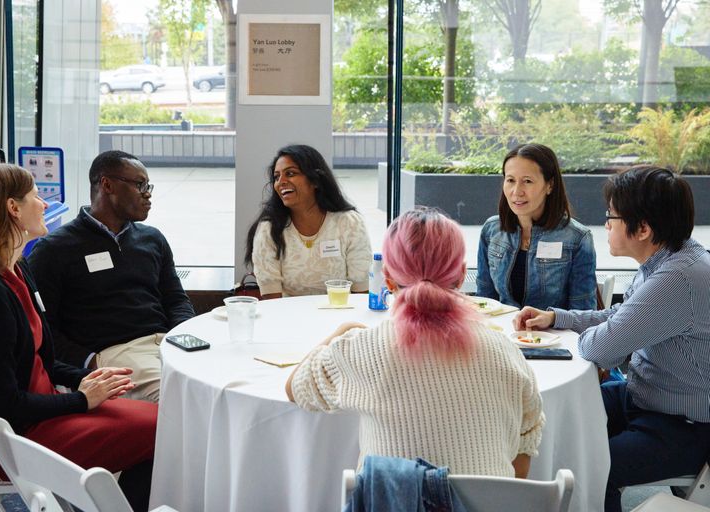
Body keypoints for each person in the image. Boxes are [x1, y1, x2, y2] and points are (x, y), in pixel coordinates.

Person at [0, 164, 157, 512]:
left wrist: (86, 379)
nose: (44, 204)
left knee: (159, 421)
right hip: (14, 440)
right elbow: (3, 405)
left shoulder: (14, 266)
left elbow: (40, 358)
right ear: (13, 209)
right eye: (36, 197)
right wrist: (82, 400)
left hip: (43, 414)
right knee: (160, 430)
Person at [287, 207, 545, 476]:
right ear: (460, 276)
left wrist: (341, 331)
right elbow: (526, 440)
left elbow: (296, 387)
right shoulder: (506, 351)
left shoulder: (361, 350)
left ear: (387, 279)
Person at [513, 166, 710, 512]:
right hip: (645, 398)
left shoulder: (677, 279)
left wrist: (596, 331)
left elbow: (600, 347)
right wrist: (557, 318)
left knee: (588, 470)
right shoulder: (670, 259)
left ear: (643, 228)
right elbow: (618, 321)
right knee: (556, 420)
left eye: (612, 216)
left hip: (684, 428)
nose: (606, 224)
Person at [28, 150, 195, 402]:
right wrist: (89, 362)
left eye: (148, 186)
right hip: (114, 354)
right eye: (140, 185)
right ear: (107, 185)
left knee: (221, 385)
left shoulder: (152, 239)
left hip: (167, 344)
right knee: (183, 400)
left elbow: (175, 299)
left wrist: (184, 337)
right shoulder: (55, 249)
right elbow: (43, 327)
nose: (147, 193)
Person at [477, 143, 597, 310]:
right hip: (502, 332)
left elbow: (582, 314)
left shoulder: (577, 238)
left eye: (527, 181)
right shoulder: (491, 231)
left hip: (554, 335)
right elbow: (485, 301)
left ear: (550, 185)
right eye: (510, 180)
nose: (517, 191)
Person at [245, 144, 372, 298]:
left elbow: (361, 293)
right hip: (288, 318)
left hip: (340, 317)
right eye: (277, 177)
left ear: (316, 181)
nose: (281, 182)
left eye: (290, 173)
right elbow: (271, 301)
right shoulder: (269, 229)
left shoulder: (349, 223)